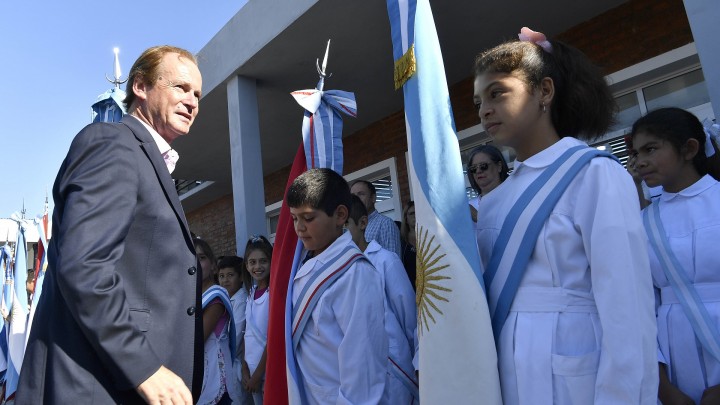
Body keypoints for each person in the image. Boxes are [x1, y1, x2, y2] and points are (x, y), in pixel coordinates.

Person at [473, 27, 657, 404]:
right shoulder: (493, 200)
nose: (484, 110)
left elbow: (627, 309)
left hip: (577, 364)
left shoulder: (594, 173)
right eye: (478, 101)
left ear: (544, 91)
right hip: (506, 368)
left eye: (497, 93)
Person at [17, 45, 203, 404]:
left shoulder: (150, 162)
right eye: (181, 87)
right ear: (140, 86)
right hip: (96, 385)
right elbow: (84, 266)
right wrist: (144, 367)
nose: (193, 101)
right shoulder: (112, 143)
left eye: (198, 93)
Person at [630, 107, 720, 404]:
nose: (640, 161)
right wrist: (663, 387)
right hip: (673, 363)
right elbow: (642, 306)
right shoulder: (643, 221)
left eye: (651, 149)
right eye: (636, 152)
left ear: (689, 149)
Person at [287, 168, 387, 404]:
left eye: (308, 218)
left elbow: (363, 366)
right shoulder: (305, 265)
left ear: (340, 215)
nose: (299, 228)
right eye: (294, 218)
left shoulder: (356, 273)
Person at [346, 195, 418, 404]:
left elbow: (408, 316)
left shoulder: (386, 259)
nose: (340, 235)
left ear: (362, 223)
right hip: (361, 367)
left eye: (345, 226)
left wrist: (417, 361)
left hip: (393, 364)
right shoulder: (339, 267)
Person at [196, 239, 242, 405]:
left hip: (215, 378)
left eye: (201, 258)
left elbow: (196, 338)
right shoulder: (193, 297)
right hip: (198, 376)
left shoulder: (216, 296)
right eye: (191, 258)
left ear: (214, 265)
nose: (195, 262)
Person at [239, 235, 272, 405]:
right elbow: (248, 333)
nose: (258, 267)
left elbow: (273, 338)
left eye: (263, 261)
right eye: (252, 262)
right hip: (251, 372)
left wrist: (259, 375)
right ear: (246, 265)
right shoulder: (250, 293)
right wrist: (245, 369)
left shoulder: (273, 293)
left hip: (267, 373)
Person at [217, 255, 252, 404]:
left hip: (236, 363)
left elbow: (235, 336)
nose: (225, 280)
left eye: (230, 275)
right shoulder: (225, 298)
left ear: (241, 277)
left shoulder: (241, 300)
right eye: (222, 276)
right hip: (226, 363)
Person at [350, 179, 402, 257]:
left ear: (373, 198)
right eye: (353, 196)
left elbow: (392, 262)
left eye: (361, 194)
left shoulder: (386, 224)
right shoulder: (349, 226)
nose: (356, 199)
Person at [466, 144, 509, 222]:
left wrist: (479, 217)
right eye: (473, 168)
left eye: (483, 166)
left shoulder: (515, 197)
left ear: (499, 166)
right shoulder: (467, 208)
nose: (478, 171)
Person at [399, 200, 417, 289]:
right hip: (410, 287)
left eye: (417, 212)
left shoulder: (429, 236)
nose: (415, 216)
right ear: (406, 218)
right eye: (411, 213)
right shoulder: (402, 240)